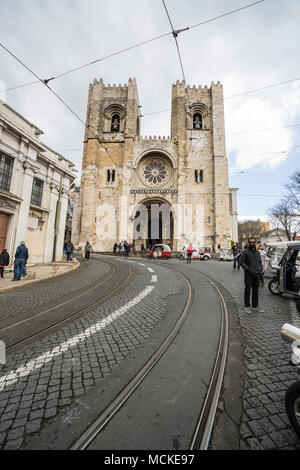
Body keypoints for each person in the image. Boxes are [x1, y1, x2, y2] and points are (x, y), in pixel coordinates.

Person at [240, 238, 264, 313]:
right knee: (247, 290)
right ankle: (247, 306)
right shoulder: (245, 252)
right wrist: (248, 269)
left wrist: (260, 269)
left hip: (257, 275)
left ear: (255, 243)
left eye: (253, 242)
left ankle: (255, 306)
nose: (252, 243)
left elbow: (259, 262)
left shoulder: (257, 252)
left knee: (256, 291)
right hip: (248, 275)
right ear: (248, 243)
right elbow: (241, 262)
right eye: (251, 242)